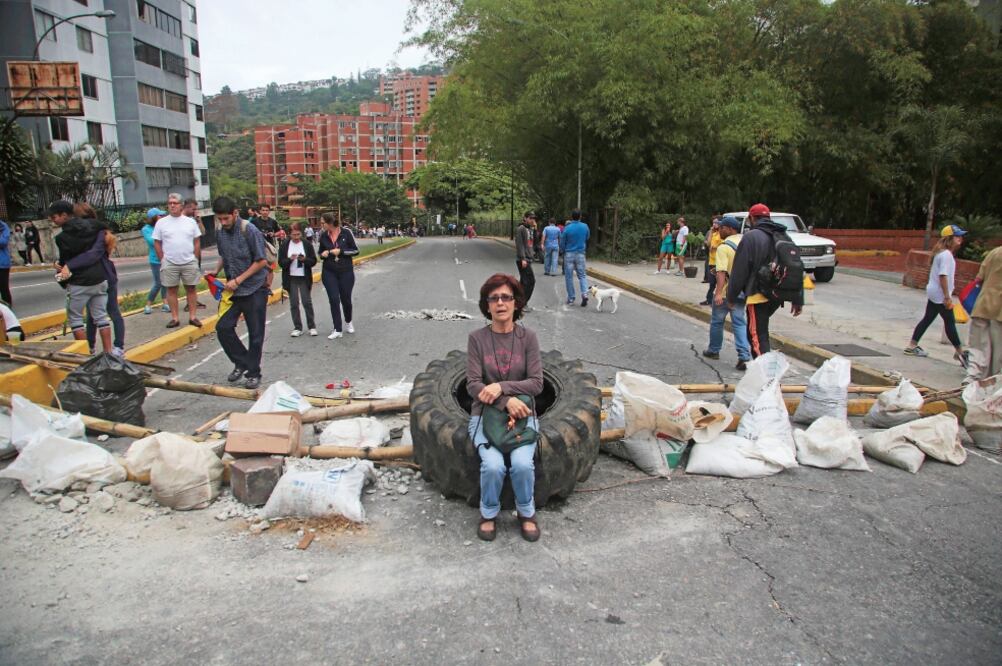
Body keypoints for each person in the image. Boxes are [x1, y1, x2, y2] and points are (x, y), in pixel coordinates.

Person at [466, 273, 543, 543]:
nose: (500, 303)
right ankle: (488, 513)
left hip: (522, 416)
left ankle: (526, 512)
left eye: (506, 297)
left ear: (516, 303)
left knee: (522, 464)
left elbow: (536, 384)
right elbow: (473, 385)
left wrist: (502, 387)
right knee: (493, 466)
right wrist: (503, 400)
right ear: (487, 305)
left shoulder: (528, 338)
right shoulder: (477, 339)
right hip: (485, 416)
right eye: (494, 298)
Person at [727, 203, 803, 358]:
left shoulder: (751, 237)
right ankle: (765, 373)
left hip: (758, 293)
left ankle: (765, 377)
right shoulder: (783, 235)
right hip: (777, 294)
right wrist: (798, 299)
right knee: (760, 332)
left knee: (756, 335)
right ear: (768, 217)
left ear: (751, 218)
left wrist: (731, 296)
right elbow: (796, 267)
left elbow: (740, 270)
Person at [211, 197, 270, 390]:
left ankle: (253, 373)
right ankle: (242, 361)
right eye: (220, 219)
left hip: (254, 288)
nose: (224, 222)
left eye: (226, 218)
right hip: (233, 291)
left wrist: (239, 280)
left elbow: (261, 261)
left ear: (235, 213)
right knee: (223, 327)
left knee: (255, 333)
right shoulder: (220, 232)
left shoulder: (249, 230)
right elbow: (224, 255)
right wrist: (215, 271)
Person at [50, 200, 113, 353]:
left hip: (79, 283)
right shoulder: (94, 226)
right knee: (101, 317)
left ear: (64, 215)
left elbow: (65, 263)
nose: (53, 221)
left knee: (76, 319)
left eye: (54, 217)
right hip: (99, 278)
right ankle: (108, 352)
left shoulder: (61, 238)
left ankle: (86, 355)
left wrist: (59, 272)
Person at [905, 225, 969, 367]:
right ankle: (960, 352)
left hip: (934, 292)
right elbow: (943, 276)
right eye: (957, 236)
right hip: (940, 294)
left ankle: (912, 345)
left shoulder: (941, 253)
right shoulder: (946, 255)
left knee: (928, 318)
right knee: (950, 322)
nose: (961, 239)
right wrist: (947, 297)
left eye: (961, 236)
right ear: (949, 239)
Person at [68, 202, 125, 356]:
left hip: (98, 277)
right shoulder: (102, 231)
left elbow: (92, 255)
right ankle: (115, 347)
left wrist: (66, 270)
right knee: (106, 313)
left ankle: (93, 348)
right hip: (105, 275)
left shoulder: (85, 235)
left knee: (95, 315)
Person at [703, 216, 751, 370]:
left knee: (717, 321)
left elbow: (721, 272)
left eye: (722, 227)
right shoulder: (746, 243)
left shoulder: (724, 247)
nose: (719, 229)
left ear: (731, 229)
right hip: (743, 292)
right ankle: (744, 356)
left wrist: (717, 293)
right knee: (739, 323)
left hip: (726, 292)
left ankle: (714, 350)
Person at [154, 193, 203, 328]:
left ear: (181, 205)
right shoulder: (161, 223)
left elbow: (197, 241)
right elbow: (157, 242)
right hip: (169, 261)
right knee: (171, 290)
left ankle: (193, 316)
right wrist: (162, 259)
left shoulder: (190, 222)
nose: (172, 205)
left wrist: (195, 258)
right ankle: (175, 318)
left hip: (189, 261)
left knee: (191, 288)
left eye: (175, 203)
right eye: (170, 203)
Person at [318, 212, 359, 339]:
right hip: (329, 271)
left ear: (330, 223)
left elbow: (356, 250)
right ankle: (337, 328)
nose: (321, 225)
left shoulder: (346, 233)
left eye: (323, 222)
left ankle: (348, 321)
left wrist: (341, 251)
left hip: (345, 271)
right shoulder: (323, 235)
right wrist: (323, 254)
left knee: (345, 299)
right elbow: (320, 252)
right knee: (334, 299)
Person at [966, 245, 1002, 383]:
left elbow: (979, 278)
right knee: (997, 352)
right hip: (999, 312)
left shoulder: (994, 252)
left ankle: (973, 376)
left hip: (983, 304)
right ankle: (992, 381)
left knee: (979, 345)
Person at [279, 222, 318, 337]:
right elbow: (281, 263)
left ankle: (312, 326)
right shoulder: (285, 245)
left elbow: (313, 261)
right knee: (294, 303)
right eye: (293, 235)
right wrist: (290, 259)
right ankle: (297, 327)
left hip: (304, 277)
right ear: (289, 234)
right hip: (291, 277)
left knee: (307, 302)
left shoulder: (306, 244)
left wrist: (304, 259)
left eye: (298, 234)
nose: (296, 237)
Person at [141, 208, 170, 314]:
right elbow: (152, 242)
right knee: (158, 283)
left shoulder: (163, 227)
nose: (162, 217)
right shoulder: (146, 229)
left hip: (166, 257)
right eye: (160, 216)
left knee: (165, 283)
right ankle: (148, 305)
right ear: (154, 218)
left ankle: (165, 303)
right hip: (155, 260)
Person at [562, 210, 591, 307]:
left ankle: (571, 298)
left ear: (572, 216)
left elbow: (563, 241)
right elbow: (587, 237)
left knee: (569, 277)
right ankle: (584, 293)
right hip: (580, 253)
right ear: (580, 216)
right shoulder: (585, 226)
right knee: (582, 275)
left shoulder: (567, 228)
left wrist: (562, 251)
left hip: (569, 254)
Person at [515, 212, 537, 308]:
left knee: (523, 282)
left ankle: (518, 301)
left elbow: (534, 242)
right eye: (530, 218)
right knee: (530, 281)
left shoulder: (530, 229)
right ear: (525, 218)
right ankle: (523, 304)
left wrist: (535, 229)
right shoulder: (521, 229)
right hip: (523, 259)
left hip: (528, 258)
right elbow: (519, 244)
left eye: (533, 218)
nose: (532, 220)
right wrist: (523, 258)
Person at [700, 216, 722, 305]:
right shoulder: (714, 233)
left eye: (716, 223)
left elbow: (724, 244)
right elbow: (708, 243)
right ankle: (709, 299)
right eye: (713, 223)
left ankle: (717, 299)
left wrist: (716, 247)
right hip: (712, 261)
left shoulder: (722, 233)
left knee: (718, 282)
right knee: (711, 282)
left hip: (719, 262)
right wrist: (711, 232)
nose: (714, 224)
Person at [0, 219, 10, 305]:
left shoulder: (3, 227)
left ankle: (8, 310)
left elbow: (3, 242)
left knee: (3, 288)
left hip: (2, 264)